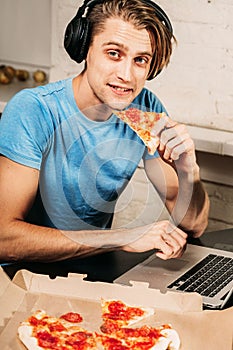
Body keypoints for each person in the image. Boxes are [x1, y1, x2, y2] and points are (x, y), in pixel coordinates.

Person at [0, 0, 209, 263]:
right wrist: (123, 237)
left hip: (94, 269)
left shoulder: (146, 110)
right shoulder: (33, 109)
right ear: (84, 48)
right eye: (113, 53)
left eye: (140, 60)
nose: (126, 75)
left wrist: (190, 170)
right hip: (22, 276)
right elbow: (4, 239)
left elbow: (195, 225)